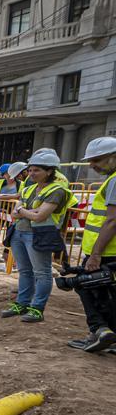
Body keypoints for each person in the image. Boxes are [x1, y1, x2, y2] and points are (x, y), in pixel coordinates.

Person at [3, 150, 73, 323]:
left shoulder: (58, 190)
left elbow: (39, 216)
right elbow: (16, 213)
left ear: (49, 171)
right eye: (31, 170)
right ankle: (22, 303)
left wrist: (24, 211)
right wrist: (28, 211)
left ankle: (37, 308)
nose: (32, 173)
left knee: (42, 272)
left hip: (39, 235)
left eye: (37, 170)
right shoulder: (28, 189)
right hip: (19, 233)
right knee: (25, 271)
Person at [68, 137, 116, 352]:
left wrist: (96, 254)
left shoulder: (114, 181)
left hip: (107, 251)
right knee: (108, 293)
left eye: (97, 159)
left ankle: (99, 331)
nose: (92, 165)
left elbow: (112, 220)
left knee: (86, 286)